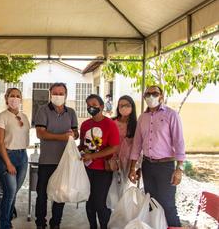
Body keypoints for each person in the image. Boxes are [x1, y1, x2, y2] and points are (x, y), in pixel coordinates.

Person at [129, 85, 186, 227]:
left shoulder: (171, 115)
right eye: (147, 94)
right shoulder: (143, 117)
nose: (150, 97)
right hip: (147, 165)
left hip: (165, 166)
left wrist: (179, 169)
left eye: (154, 93)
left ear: (161, 96)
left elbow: (179, 142)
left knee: (168, 204)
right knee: (152, 203)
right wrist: (132, 167)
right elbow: (137, 143)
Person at [34, 83, 79, 229]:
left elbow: (75, 133)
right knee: (42, 195)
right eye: (55, 93)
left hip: (64, 161)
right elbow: (40, 133)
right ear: (50, 94)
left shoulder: (71, 112)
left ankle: (55, 224)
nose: (58, 96)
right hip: (46, 161)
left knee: (60, 195)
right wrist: (63, 137)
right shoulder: (43, 110)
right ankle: (40, 223)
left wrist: (74, 135)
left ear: (66, 95)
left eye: (61, 93)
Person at [79, 94, 120, 229]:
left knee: (99, 202)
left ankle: (104, 226)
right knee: (89, 201)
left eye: (94, 104)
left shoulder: (110, 125)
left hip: (103, 170)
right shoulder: (85, 125)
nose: (91, 107)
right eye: (89, 105)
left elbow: (114, 147)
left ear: (101, 106)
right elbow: (82, 145)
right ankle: (92, 226)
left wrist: (93, 157)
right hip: (87, 169)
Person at [0, 88, 30, 229]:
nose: (15, 99)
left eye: (18, 96)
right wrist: (8, 163)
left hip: (22, 156)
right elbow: (0, 142)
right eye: (12, 96)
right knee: (9, 192)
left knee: (14, 192)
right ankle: (5, 225)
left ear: (21, 99)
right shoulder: (2, 117)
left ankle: (8, 220)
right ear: (6, 98)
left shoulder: (24, 117)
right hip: (7, 156)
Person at [113, 95, 139, 185]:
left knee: (125, 188)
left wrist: (134, 167)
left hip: (128, 162)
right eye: (121, 105)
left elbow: (138, 146)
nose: (124, 108)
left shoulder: (136, 125)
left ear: (132, 107)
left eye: (127, 105)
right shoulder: (112, 122)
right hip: (113, 160)